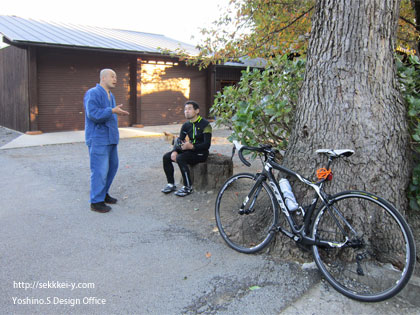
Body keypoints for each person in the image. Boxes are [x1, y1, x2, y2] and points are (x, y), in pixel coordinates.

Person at [84, 69, 129, 213]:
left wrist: (115, 112)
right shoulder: (93, 93)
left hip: (110, 138)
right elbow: (93, 114)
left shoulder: (111, 95)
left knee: (112, 167)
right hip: (98, 138)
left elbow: (110, 112)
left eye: (116, 76)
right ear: (103, 78)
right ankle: (96, 201)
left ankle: (103, 194)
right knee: (99, 170)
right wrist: (112, 111)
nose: (115, 79)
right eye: (112, 76)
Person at [162, 101, 212, 197]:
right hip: (189, 150)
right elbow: (180, 140)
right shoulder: (186, 125)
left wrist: (192, 147)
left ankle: (188, 187)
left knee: (181, 158)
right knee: (166, 157)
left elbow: (207, 145)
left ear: (197, 111)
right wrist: (175, 151)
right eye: (185, 109)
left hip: (201, 153)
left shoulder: (206, 125)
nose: (186, 111)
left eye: (189, 109)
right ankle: (171, 184)